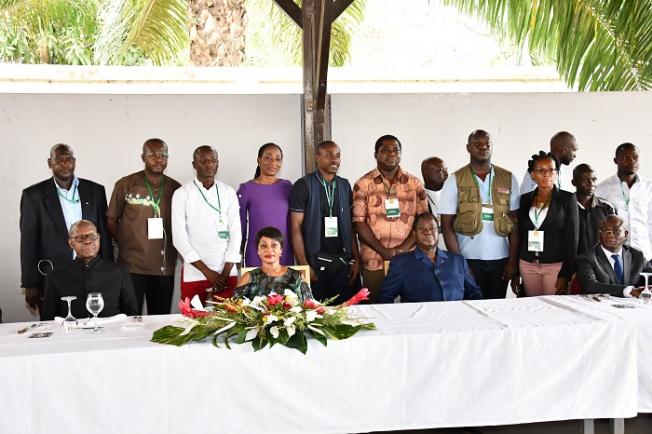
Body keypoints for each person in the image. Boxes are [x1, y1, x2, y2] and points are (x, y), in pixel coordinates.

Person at [20, 143, 111, 318]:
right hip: (53, 274)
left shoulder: (95, 191)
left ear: (74, 162)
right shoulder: (33, 195)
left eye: (68, 159)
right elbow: (28, 242)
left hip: (91, 271)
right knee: (56, 328)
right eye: (58, 159)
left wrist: (107, 269)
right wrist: (30, 283)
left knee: (94, 322)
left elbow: (104, 234)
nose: (64, 163)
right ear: (49, 162)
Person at [440, 130, 520, 299]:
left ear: (492, 147)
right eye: (477, 143)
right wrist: (459, 262)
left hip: (501, 259)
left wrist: (513, 262)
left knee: (496, 307)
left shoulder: (509, 178)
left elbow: (515, 224)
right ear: (468, 148)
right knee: (470, 308)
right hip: (468, 258)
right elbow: (446, 226)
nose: (483, 147)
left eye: (487, 143)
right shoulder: (454, 180)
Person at [106, 138, 181, 315]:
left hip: (164, 267)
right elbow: (111, 221)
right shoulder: (125, 184)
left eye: (163, 155)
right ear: (143, 157)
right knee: (130, 319)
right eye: (153, 155)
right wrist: (127, 243)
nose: (158, 159)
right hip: (132, 266)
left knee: (160, 319)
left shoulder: (176, 188)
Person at [352, 135, 428, 301]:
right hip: (374, 260)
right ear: (376, 154)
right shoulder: (363, 184)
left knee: (413, 308)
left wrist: (402, 250)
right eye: (384, 150)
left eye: (395, 150)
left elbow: (424, 221)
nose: (391, 154)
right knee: (377, 308)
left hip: (410, 258)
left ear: (401, 154)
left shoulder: (414, 183)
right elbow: (358, 223)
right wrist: (384, 252)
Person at [290, 140, 361, 304]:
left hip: (343, 262)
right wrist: (304, 266)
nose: (334, 159)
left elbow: (350, 226)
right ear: (317, 158)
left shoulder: (344, 185)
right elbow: (295, 228)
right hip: (316, 264)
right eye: (329, 155)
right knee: (318, 316)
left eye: (337, 155)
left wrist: (356, 259)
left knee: (346, 313)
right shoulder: (303, 185)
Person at [172, 145, 242, 304]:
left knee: (228, 324)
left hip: (226, 273)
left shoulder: (228, 192)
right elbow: (179, 238)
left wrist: (224, 272)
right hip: (195, 273)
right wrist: (208, 272)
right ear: (194, 164)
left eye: (213, 161)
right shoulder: (182, 194)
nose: (209, 164)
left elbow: (236, 233)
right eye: (204, 161)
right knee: (194, 323)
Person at [42, 220, 137, 320]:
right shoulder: (56, 276)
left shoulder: (120, 271)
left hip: (111, 333)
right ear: (70, 243)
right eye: (80, 237)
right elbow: (48, 320)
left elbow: (132, 314)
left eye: (92, 236)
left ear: (99, 238)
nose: (87, 241)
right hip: (72, 334)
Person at [378, 212, 481, 303]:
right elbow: (384, 297)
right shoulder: (400, 263)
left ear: (438, 231)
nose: (428, 231)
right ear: (414, 234)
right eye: (422, 229)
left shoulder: (458, 260)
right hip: (419, 321)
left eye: (432, 228)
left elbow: (474, 293)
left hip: (456, 320)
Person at [514, 152, 578, 296]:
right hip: (528, 264)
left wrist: (566, 274)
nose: (546, 174)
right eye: (540, 170)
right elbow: (520, 235)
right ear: (532, 175)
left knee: (553, 308)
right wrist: (516, 270)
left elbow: (572, 239)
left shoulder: (568, 199)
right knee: (533, 307)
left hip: (555, 265)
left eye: (551, 170)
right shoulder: (525, 199)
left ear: (556, 173)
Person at [237, 143, 293, 267]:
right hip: (256, 254)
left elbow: (293, 223)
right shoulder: (246, 189)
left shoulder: (287, 187)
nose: (273, 162)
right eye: (268, 158)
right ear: (259, 160)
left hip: (284, 253)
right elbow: (239, 226)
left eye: (277, 159)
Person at [596, 143, 652, 261]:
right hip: (615, 256)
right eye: (625, 157)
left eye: (635, 157)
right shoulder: (602, 189)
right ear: (616, 160)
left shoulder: (648, 187)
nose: (631, 161)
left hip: (644, 254)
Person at [576, 215, 652, 297]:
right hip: (598, 306)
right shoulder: (587, 258)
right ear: (599, 234)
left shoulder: (637, 256)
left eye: (616, 231)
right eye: (605, 230)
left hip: (633, 307)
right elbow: (590, 286)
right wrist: (630, 291)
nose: (610, 235)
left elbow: (649, 277)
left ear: (626, 234)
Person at [235, 227, 312, 300]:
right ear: (258, 251)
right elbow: (234, 309)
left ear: (281, 250)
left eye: (274, 245)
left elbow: (310, 308)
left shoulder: (297, 276)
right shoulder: (248, 278)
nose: (269, 250)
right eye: (263, 245)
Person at [572, 164, 616, 255]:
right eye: (585, 179)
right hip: (573, 265)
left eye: (594, 179)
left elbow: (613, 239)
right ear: (574, 182)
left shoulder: (607, 208)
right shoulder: (565, 207)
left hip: (599, 265)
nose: (591, 183)